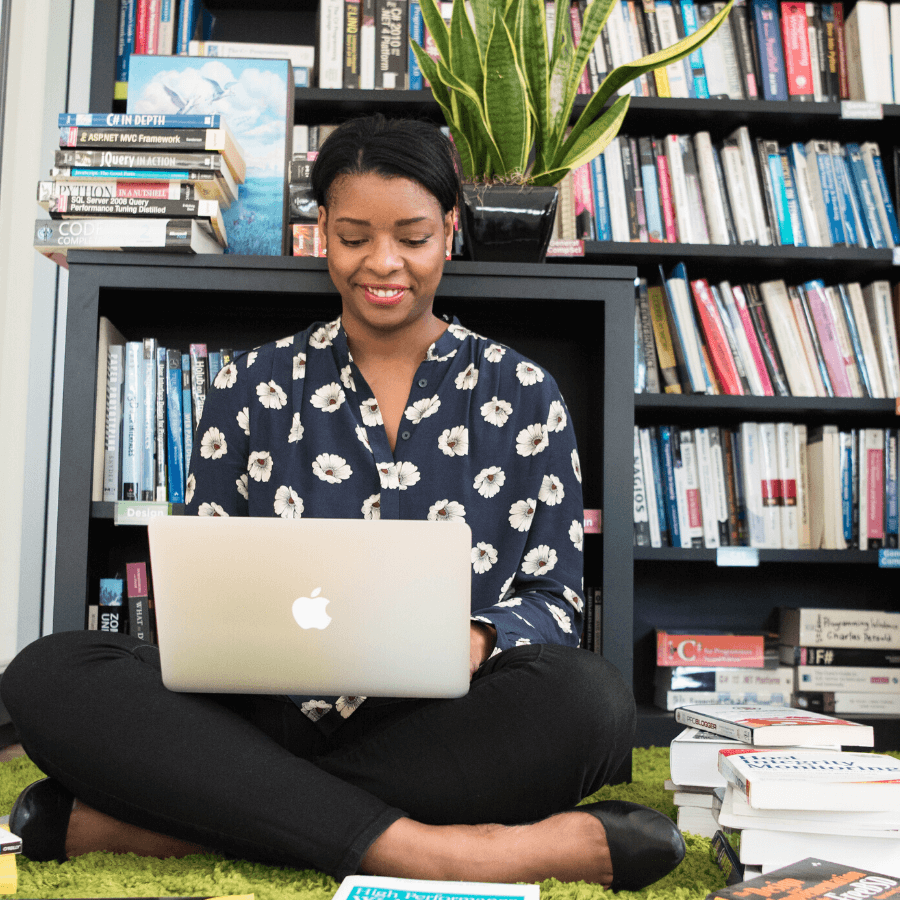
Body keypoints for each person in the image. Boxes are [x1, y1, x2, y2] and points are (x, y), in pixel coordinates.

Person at [2, 114, 684, 891]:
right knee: (47, 674)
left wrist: (474, 638)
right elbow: (205, 582)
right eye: (355, 236)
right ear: (320, 229)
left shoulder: (525, 394)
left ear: (450, 231)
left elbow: (555, 599)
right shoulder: (248, 385)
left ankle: (182, 823)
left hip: (441, 721)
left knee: (591, 703)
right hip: (256, 714)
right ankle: (450, 853)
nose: (383, 262)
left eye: (413, 237)